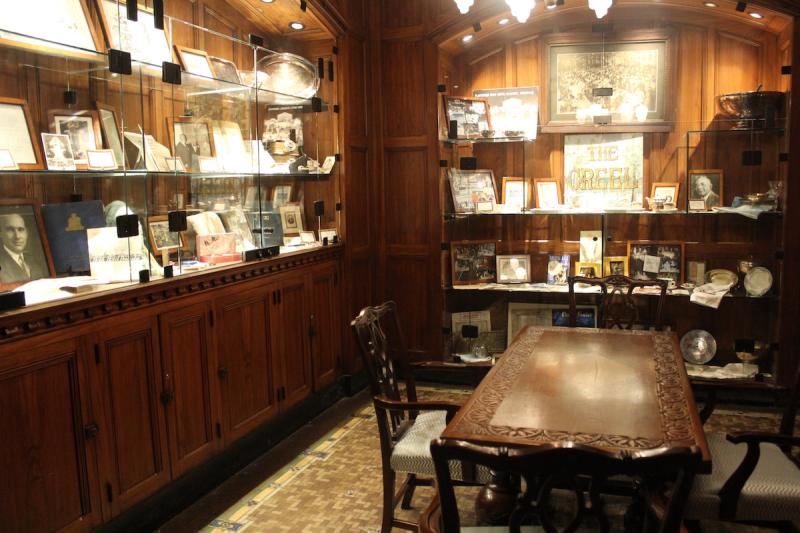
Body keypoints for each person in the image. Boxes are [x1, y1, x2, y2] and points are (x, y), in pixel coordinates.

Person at [0, 213, 47, 283]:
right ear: (1, 234)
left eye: (21, 229)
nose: (17, 236)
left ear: (26, 233)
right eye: (10, 230)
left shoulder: (34, 261)